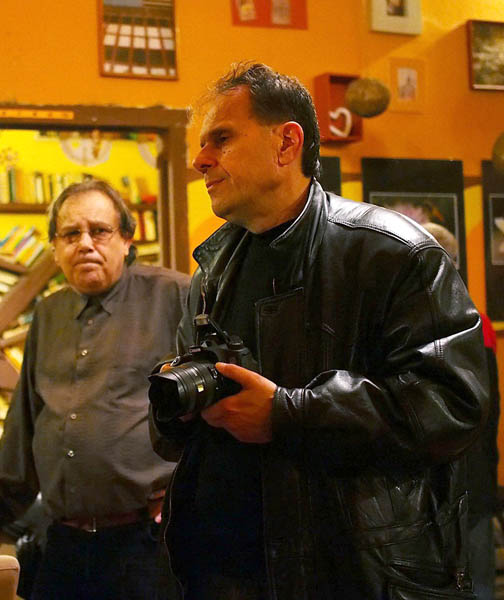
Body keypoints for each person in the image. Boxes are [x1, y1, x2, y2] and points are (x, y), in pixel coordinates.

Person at [150, 62, 489, 599]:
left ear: (287, 143)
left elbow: (452, 405)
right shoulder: (212, 269)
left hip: (352, 575)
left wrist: (288, 414)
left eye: (222, 138)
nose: (200, 160)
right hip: (223, 575)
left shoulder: (393, 252)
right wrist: (179, 410)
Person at [0, 179, 189, 600]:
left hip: (146, 546)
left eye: (99, 231)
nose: (85, 244)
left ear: (126, 240)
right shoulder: (47, 315)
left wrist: (187, 496)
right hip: (63, 543)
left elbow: (219, 405)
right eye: (70, 234)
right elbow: (22, 436)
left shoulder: (176, 297)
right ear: (54, 248)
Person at [422, 222, 501, 600]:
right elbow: (488, 409)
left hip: (444, 475)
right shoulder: (477, 320)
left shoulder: (467, 320)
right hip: (470, 473)